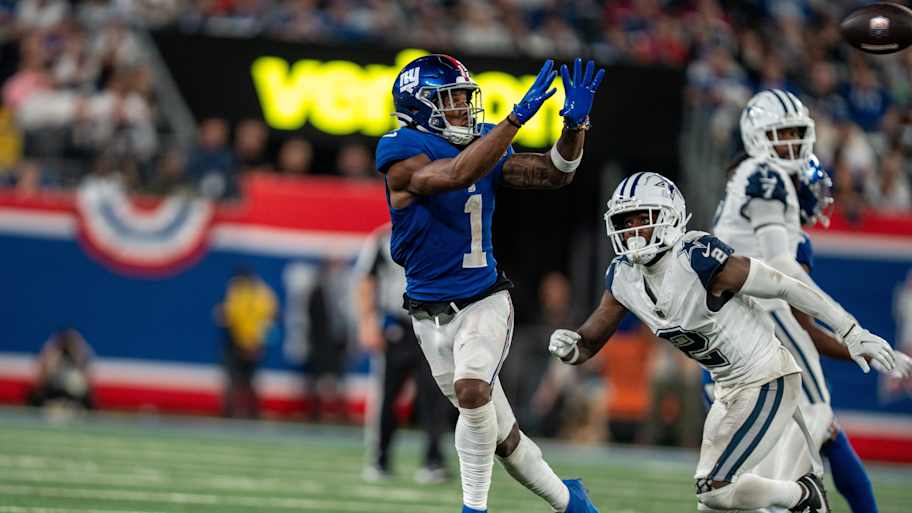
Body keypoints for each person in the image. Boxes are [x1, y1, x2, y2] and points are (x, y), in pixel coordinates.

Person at [547, 172, 897, 513]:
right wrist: (572, 346)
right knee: (713, 503)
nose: (634, 230)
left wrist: (850, 330)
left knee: (715, 489)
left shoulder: (698, 258)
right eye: (626, 221)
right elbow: (590, 341)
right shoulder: (623, 276)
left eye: (644, 218)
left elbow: (783, 285)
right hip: (727, 388)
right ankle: (798, 499)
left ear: (670, 219)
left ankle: (802, 494)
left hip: (766, 378)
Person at [376, 54, 604, 513]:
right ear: (418, 106)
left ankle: (473, 509)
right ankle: (572, 502)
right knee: (503, 438)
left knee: (472, 391)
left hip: (483, 299)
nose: (463, 108)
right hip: (427, 315)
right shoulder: (399, 149)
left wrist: (575, 127)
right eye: (452, 100)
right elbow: (457, 174)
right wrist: (516, 118)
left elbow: (556, 172)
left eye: (464, 99)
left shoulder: (482, 143)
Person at [712, 90, 912, 513]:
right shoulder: (765, 178)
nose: (792, 146)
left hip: (734, 332)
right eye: (781, 134)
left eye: (795, 135)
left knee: (804, 440)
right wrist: (854, 331)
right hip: (752, 328)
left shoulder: (751, 181)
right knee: (812, 430)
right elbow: (789, 286)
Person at [354, 223, 453, 484]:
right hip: (398, 325)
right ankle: (380, 458)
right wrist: (367, 321)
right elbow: (367, 278)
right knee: (388, 395)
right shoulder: (383, 238)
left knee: (434, 395)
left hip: (433, 323)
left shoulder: (439, 233)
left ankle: (433, 460)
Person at [216, 267, 278, 419]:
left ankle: (246, 413)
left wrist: (254, 344)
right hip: (247, 345)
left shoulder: (254, 296)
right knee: (239, 381)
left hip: (246, 345)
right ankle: (241, 413)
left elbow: (267, 321)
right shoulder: (262, 295)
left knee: (244, 381)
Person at [27, 327, 94, 410]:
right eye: (66, 342)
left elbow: (87, 383)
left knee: (89, 401)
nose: (67, 346)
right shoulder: (52, 355)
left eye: (71, 342)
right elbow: (42, 379)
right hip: (53, 391)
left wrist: (77, 356)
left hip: (74, 395)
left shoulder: (80, 356)